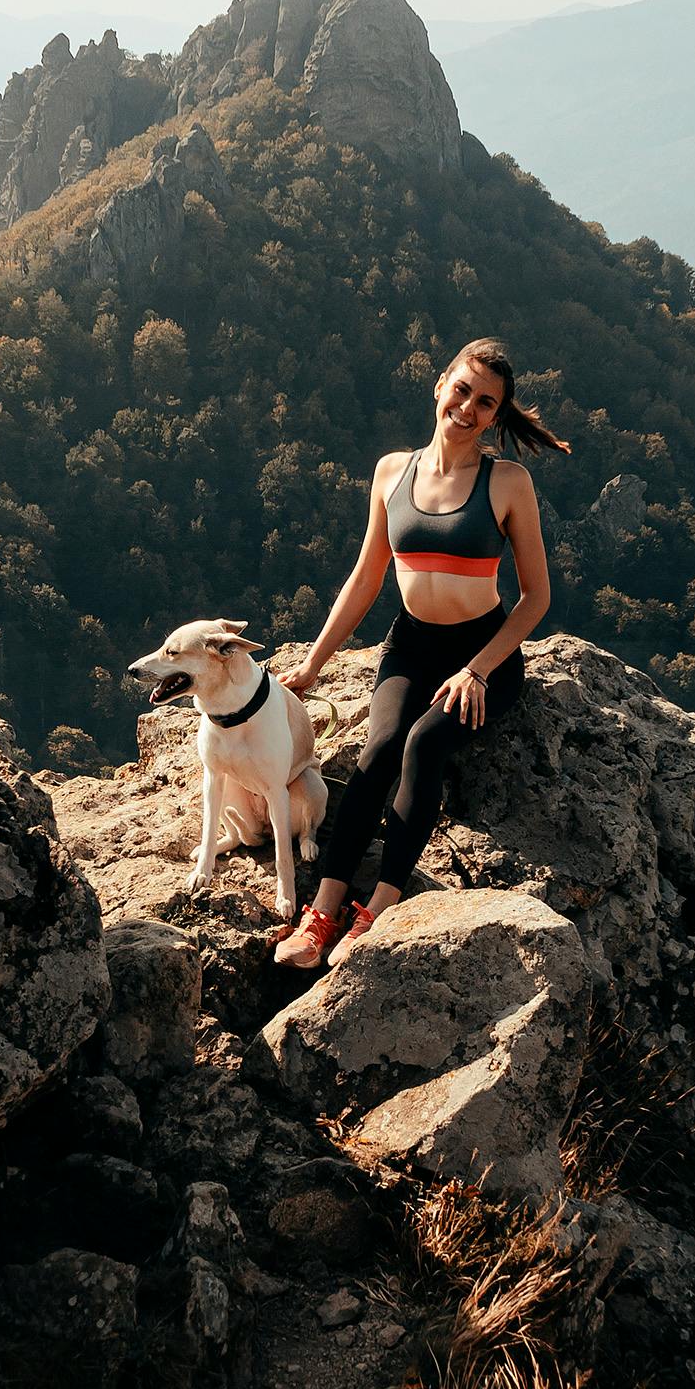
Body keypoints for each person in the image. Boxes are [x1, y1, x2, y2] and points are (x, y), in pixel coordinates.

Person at [274, 338, 566, 967]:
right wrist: (313, 665)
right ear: (440, 385)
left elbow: (536, 598)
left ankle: (374, 912)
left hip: (483, 654)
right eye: (462, 390)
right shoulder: (391, 471)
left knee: (423, 745)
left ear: (495, 417)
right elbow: (365, 577)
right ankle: (320, 914)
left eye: (485, 403)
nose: (468, 408)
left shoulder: (507, 482)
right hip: (410, 643)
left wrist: (479, 669)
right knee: (377, 751)